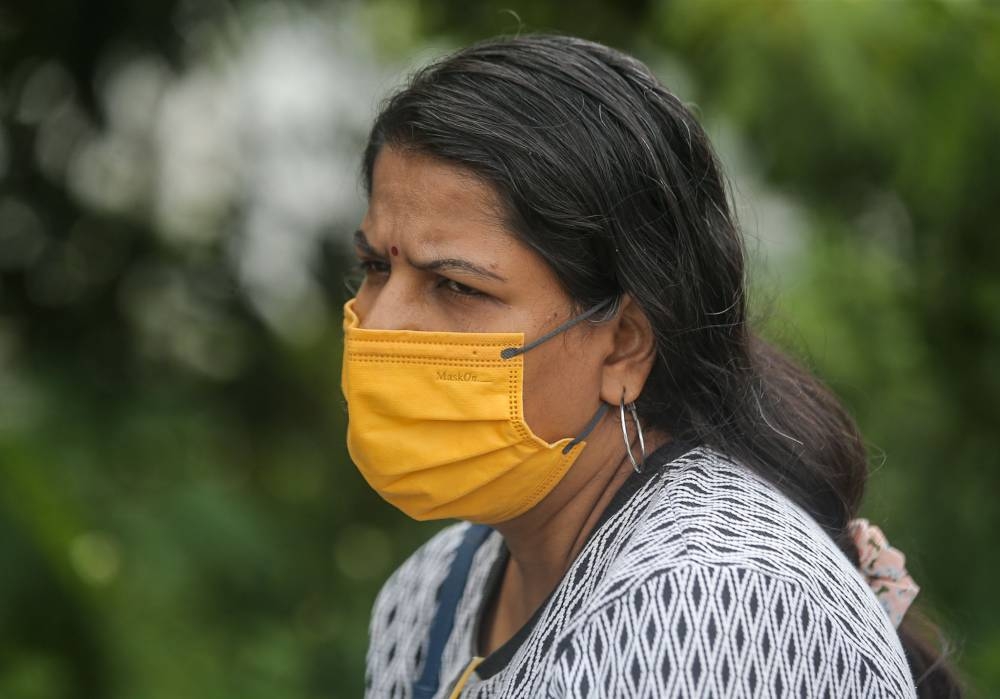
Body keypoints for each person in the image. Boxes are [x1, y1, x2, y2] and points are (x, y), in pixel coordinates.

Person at [340, 33, 962, 698]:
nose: (377, 322)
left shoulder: (716, 604)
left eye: (456, 286)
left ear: (625, 343)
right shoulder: (433, 591)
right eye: (377, 266)